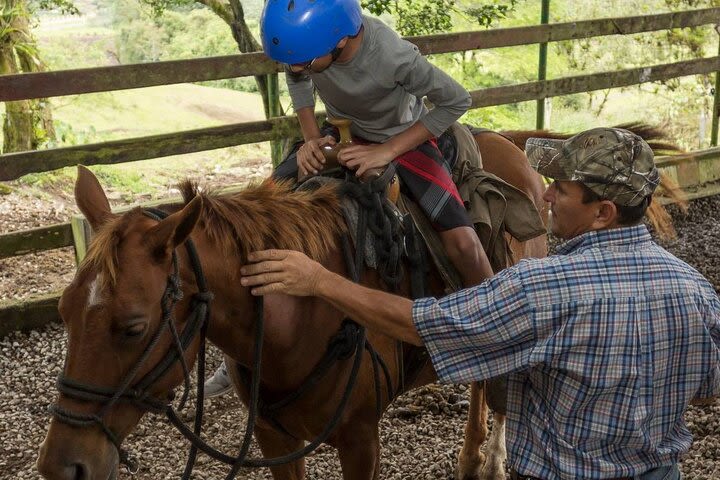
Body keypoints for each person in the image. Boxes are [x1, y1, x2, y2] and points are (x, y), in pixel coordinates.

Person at [239, 127, 720, 480]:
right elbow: (705, 388)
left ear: (603, 213)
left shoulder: (544, 289)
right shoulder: (695, 290)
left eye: (562, 189)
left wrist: (320, 281)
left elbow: (426, 324)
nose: (545, 194)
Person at [204, 0, 495, 397]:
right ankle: (237, 352)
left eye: (306, 61)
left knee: (462, 241)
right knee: (259, 213)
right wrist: (310, 139)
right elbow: (297, 79)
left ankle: (496, 333)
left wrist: (387, 150)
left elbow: (456, 100)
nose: (297, 69)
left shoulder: (392, 57)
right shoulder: (310, 52)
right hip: (339, 135)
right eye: (293, 62)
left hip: (403, 137)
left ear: (340, 41)